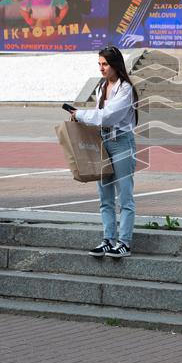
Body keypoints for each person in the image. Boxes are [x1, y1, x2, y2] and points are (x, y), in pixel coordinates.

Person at [72, 46, 139, 259]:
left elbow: (108, 116)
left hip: (121, 142)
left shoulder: (125, 88)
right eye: (99, 64)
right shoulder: (102, 86)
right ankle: (108, 239)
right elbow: (100, 115)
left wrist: (81, 114)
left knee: (125, 196)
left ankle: (124, 242)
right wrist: (82, 116)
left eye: (105, 64)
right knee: (105, 196)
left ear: (115, 65)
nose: (101, 68)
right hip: (104, 141)